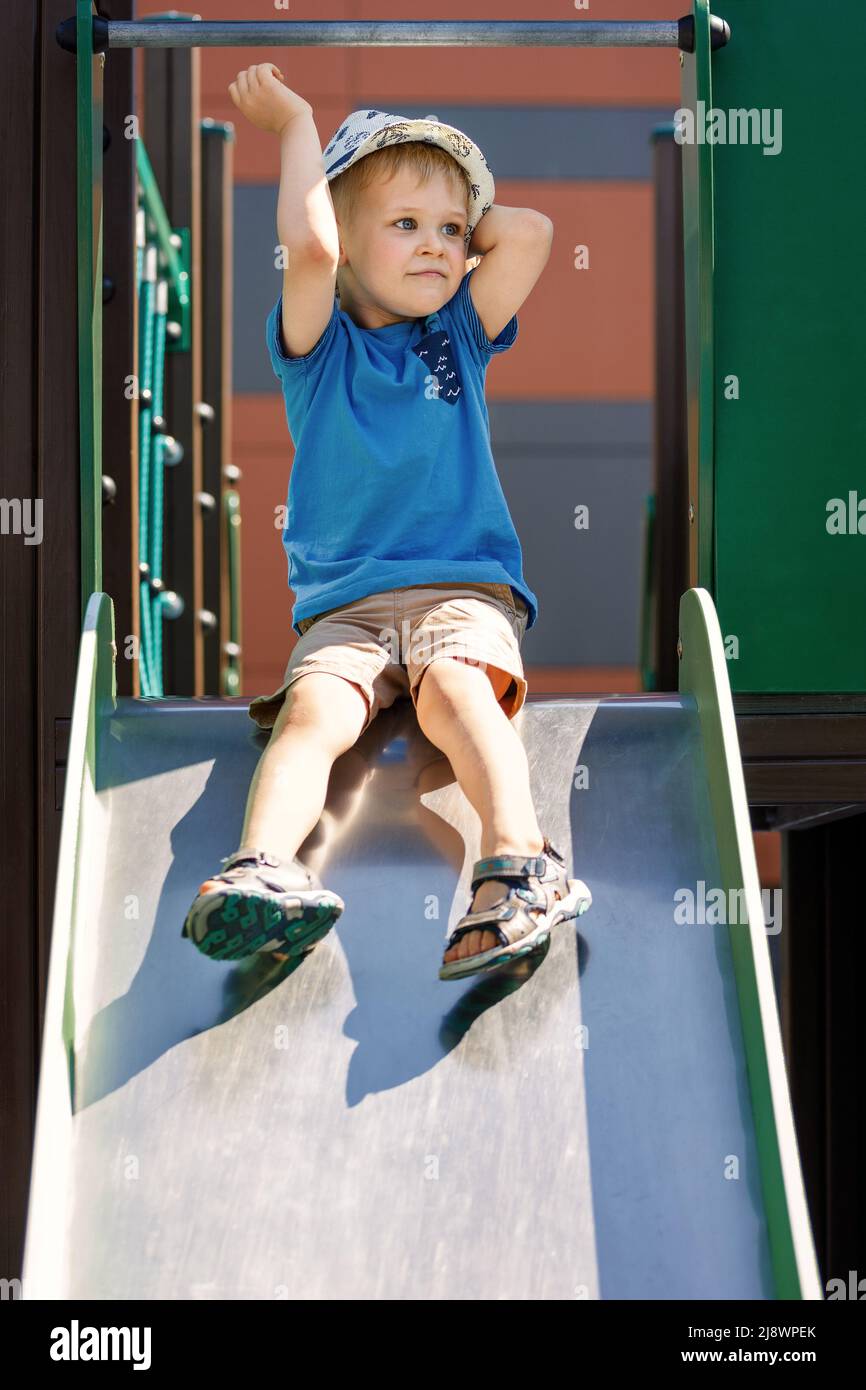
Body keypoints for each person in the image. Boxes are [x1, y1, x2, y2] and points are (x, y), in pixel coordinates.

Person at [182, 65, 591, 980]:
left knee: (454, 691)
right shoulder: (317, 350)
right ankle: (262, 871)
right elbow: (315, 253)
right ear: (345, 234)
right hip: (348, 610)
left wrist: (443, 207)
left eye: (450, 234)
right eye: (405, 228)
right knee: (311, 714)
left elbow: (530, 234)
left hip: (460, 591)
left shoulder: (459, 333)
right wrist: (296, 127)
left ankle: (521, 863)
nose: (438, 247)